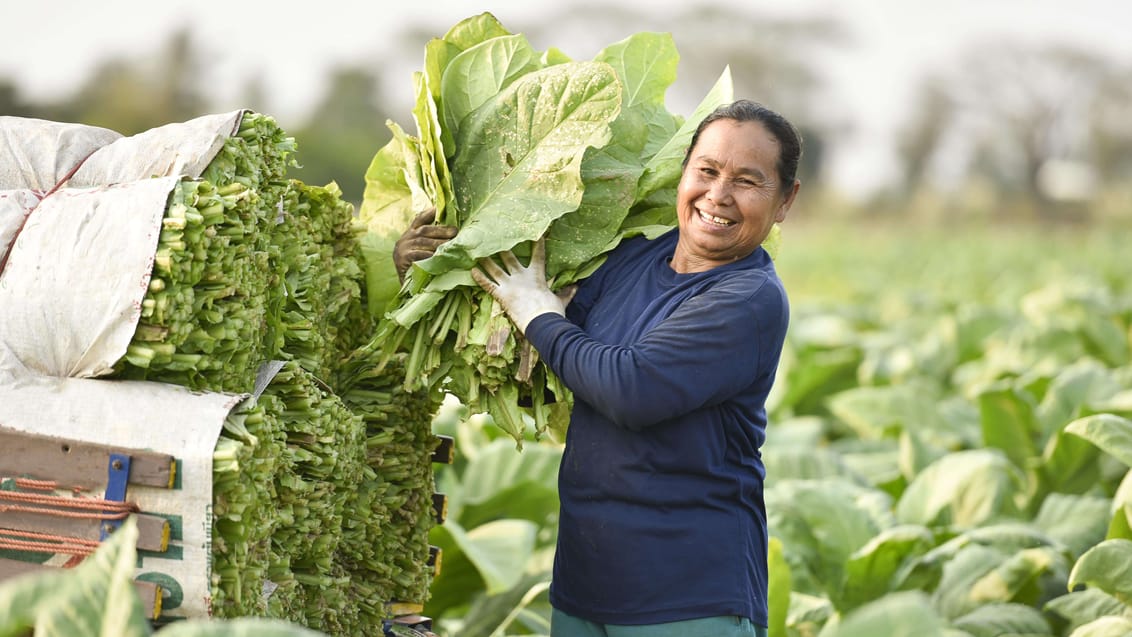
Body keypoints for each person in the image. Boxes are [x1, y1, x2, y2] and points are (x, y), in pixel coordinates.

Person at [399, 99, 801, 637]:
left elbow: (629, 388)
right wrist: (424, 268)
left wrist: (538, 314)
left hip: (686, 601)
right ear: (683, 172)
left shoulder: (747, 298)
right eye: (706, 171)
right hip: (584, 588)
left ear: (784, 202)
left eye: (747, 181)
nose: (718, 195)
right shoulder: (631, 259)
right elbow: (537, 354)